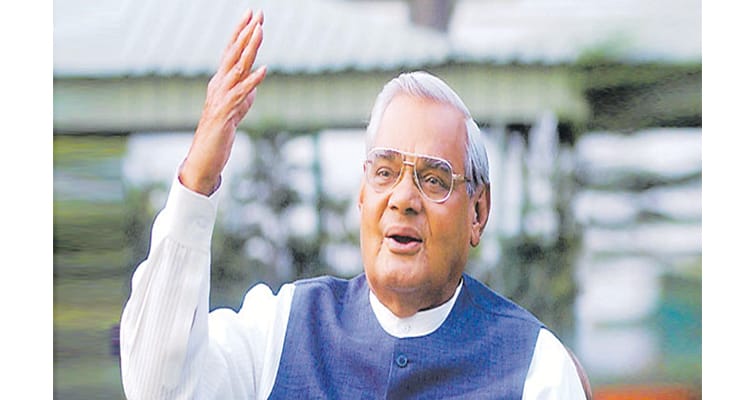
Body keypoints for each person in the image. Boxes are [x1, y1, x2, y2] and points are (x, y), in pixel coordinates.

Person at [120, 8, 589, 399]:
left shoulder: (535, 370)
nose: (403, 199)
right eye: (385, 172)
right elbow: (158, 388)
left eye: (433, 179)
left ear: (478, 213)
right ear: (363, 196)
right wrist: (197, 182)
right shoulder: (282, 331)